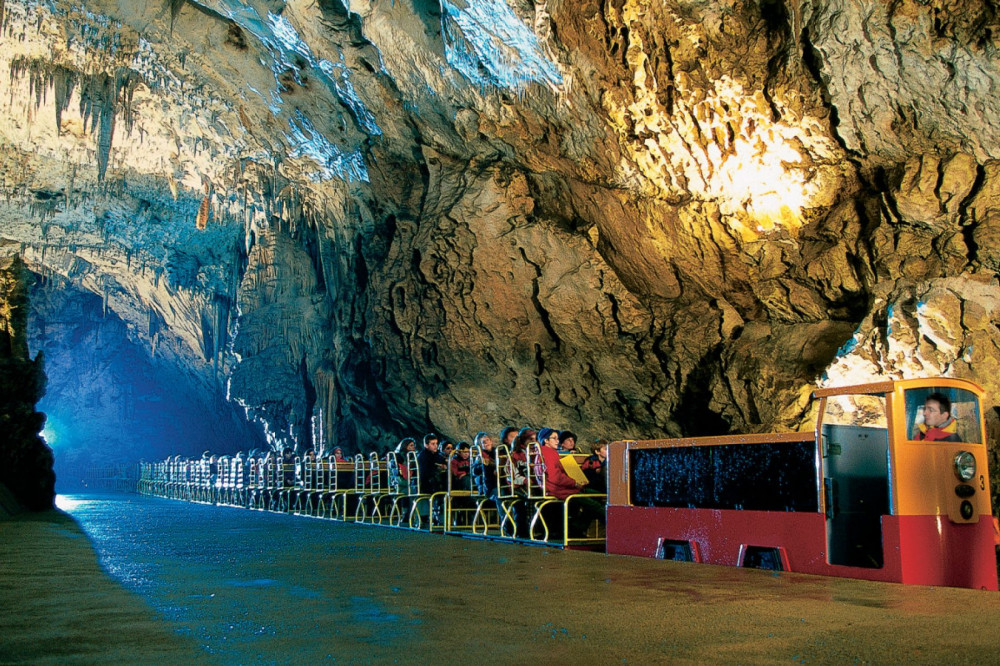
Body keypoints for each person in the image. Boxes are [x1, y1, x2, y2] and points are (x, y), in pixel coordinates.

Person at [536, 428, 584, 499]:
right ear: (546, 440)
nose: (557, 441)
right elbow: (555, 477)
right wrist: (575, 483)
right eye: (554, 438)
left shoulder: (541, 452)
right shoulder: (548, 453)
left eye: (558, 438)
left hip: (552, 488)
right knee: (595, 503)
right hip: (557, 490)